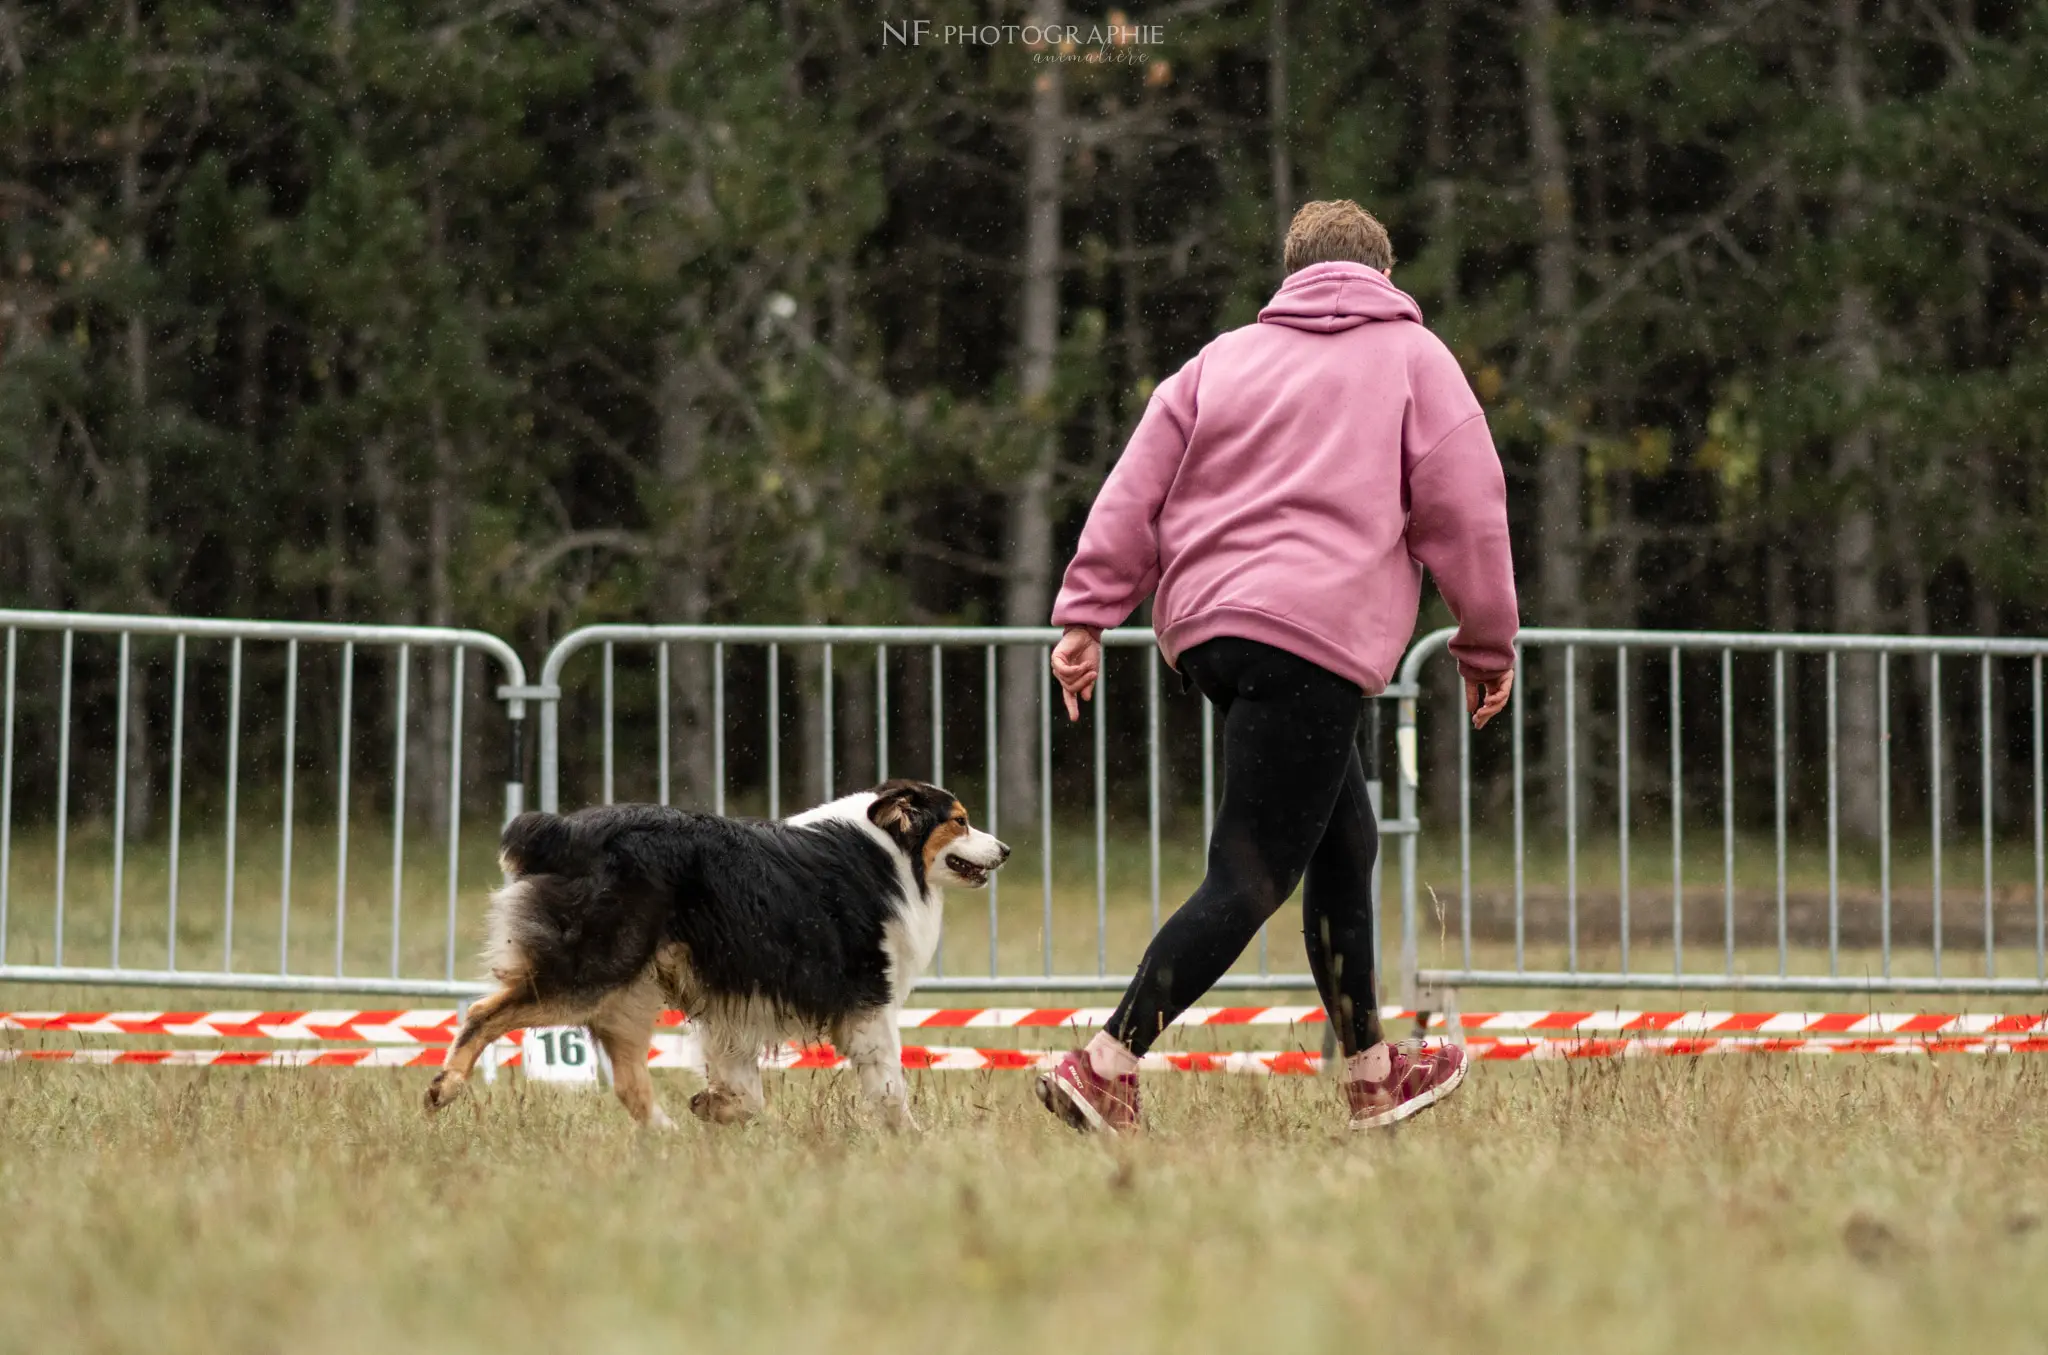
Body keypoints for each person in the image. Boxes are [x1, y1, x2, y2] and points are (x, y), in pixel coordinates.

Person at [1037, 200, 1519, 1134]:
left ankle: (1373, 1074)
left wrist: (1086, 616)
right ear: (1384, 273)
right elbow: (1470, 507)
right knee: (1248, 876)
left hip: (1212, 633)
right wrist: (1486, 640)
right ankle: (1106, 1061)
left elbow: (1134, 487)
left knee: (1346, 842)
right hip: (1312, 633)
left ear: (1290, 274)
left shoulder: (1222, 359)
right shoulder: (1415, 357)